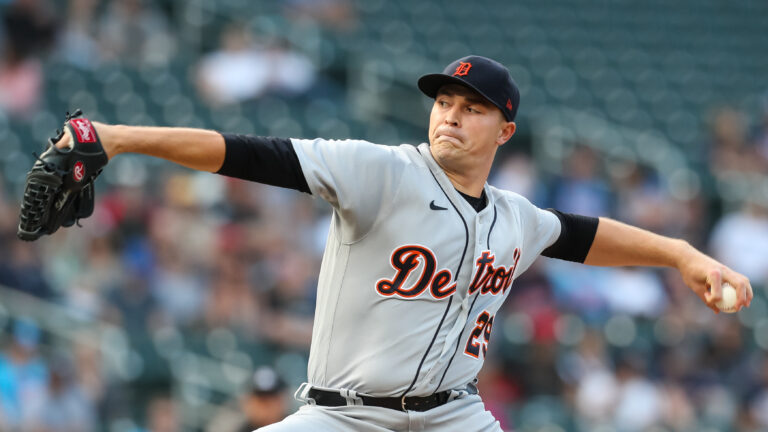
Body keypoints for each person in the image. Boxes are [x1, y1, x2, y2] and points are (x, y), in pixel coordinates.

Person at [48, 55, 752, 431]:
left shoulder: (514, 217)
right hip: (342, 417)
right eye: (444, 101)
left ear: (504, 131)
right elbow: (250, 153)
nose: (449, 115)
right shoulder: (381, 171)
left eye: (471, 108)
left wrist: (683, 254)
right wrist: (116, 138)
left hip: (453, 416)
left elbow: (584, 235)